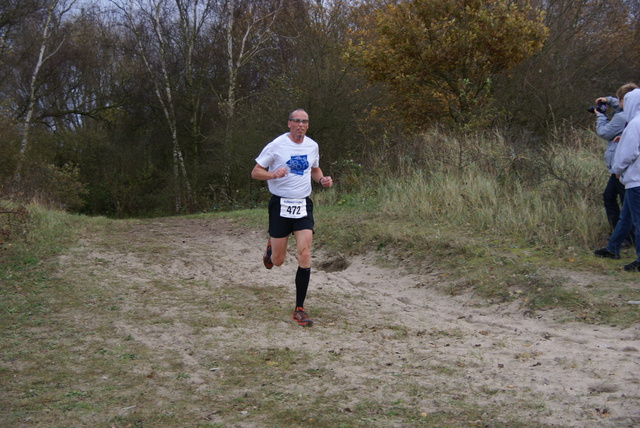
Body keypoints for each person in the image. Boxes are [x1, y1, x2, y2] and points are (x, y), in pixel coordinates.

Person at [251, 108, 333, 326]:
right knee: (277, 261)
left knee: (304, 254)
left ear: (307, 124)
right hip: (280, 204)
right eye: (296, 121)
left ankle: (299, 309)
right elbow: (255, 171)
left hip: (303, 204)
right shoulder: (276, 145)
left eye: (304, 121)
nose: (301, 125)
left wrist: (322, 179)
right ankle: (271, 248)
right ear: (289, 124)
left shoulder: (312, 145)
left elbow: (315, 169)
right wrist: (272, 174)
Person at [594, 86, 640, 271]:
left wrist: (617, 169)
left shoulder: (635, 124)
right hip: (633, 179)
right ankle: (613, 248)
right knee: (626, 217)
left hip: (635, 179)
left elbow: (628, 153)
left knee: (637, 221)